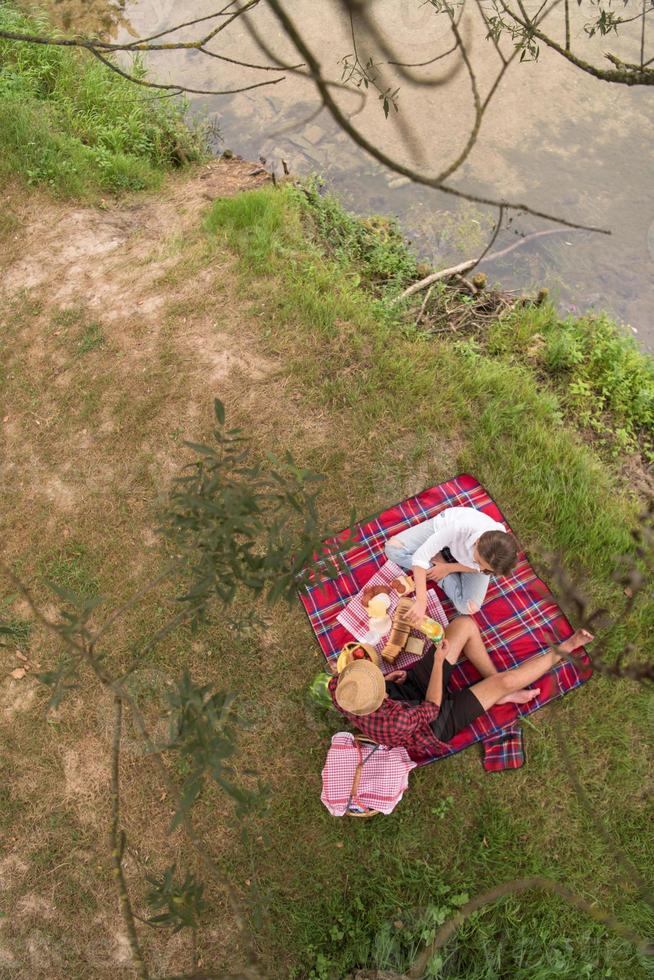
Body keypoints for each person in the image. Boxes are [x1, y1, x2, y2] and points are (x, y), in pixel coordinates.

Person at [329, 617, 593, 757]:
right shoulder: (395, 722)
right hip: (432, 724)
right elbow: (431, 708)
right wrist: (439, 660)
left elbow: (368, 683)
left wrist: (386, 682)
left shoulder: (340, 687)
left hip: (405, 694)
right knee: (506, 681)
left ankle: (500, 693)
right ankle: (567, 648)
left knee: (464, 625)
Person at [384, 505, 518, 623]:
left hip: (456, 561)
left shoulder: (501, 552)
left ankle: (437, 566)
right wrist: (421, 601)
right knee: (393, 549)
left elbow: (479, 569)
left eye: (487, 569)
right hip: (444, 528)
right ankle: (434, 561)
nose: (481, 569)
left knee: (468, 607)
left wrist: (448, 568)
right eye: (479, 562)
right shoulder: (460, 528)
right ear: (477, 541)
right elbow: (420, 558)